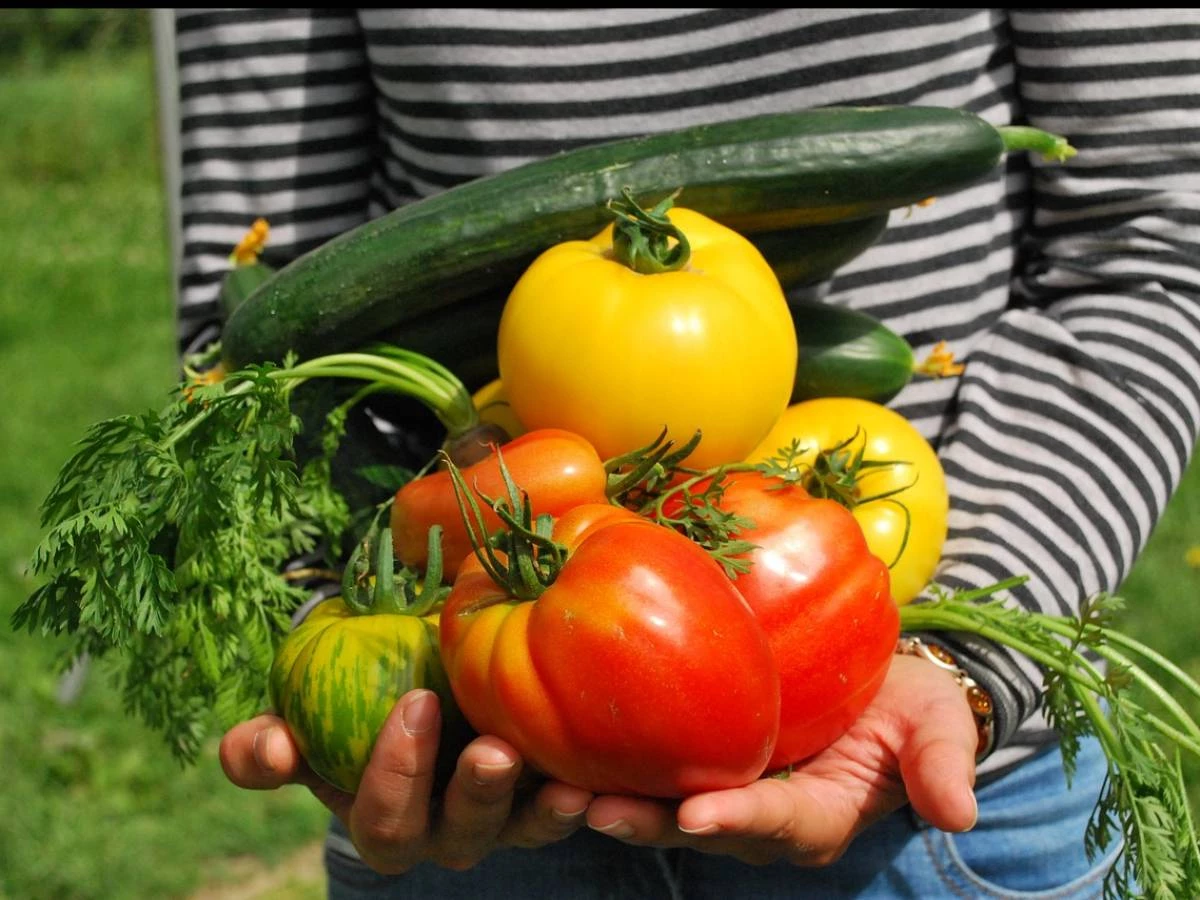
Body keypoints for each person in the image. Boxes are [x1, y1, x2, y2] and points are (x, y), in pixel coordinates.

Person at [170, 9, 1200, 898]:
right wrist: (351, 648)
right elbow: (254, 334)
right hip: (468, 741)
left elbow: (1151, 253)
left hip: (940, 786)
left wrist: (968, 657)